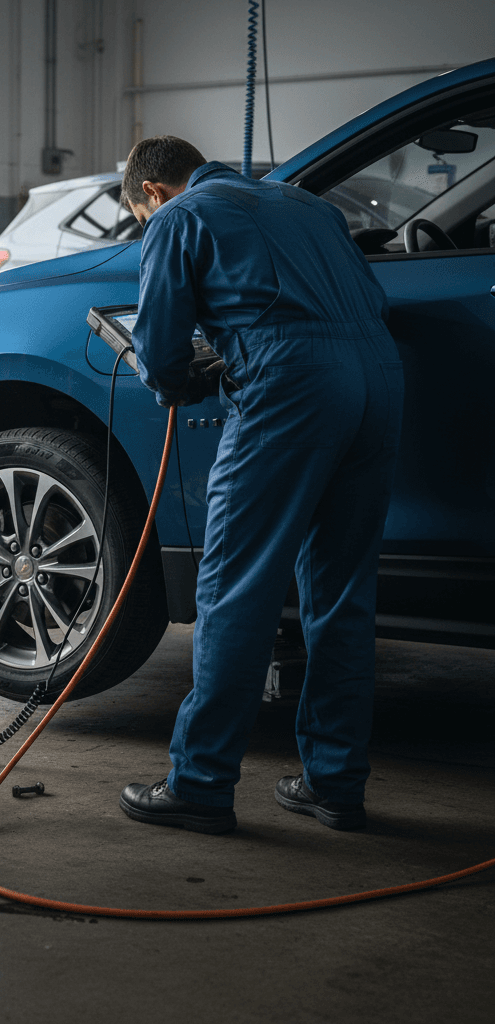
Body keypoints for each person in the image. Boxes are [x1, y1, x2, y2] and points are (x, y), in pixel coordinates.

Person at [117, 136, 403, 834]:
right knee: (340, 591)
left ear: (152, 191)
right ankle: (336, 784)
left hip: (290, 387)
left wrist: (179, 378)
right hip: (378, 378)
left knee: (236, 587)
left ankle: (201, 783)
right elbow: (367, 300)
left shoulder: (178, 217)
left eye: (141, 214)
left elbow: (160, 351)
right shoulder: (309, 205)